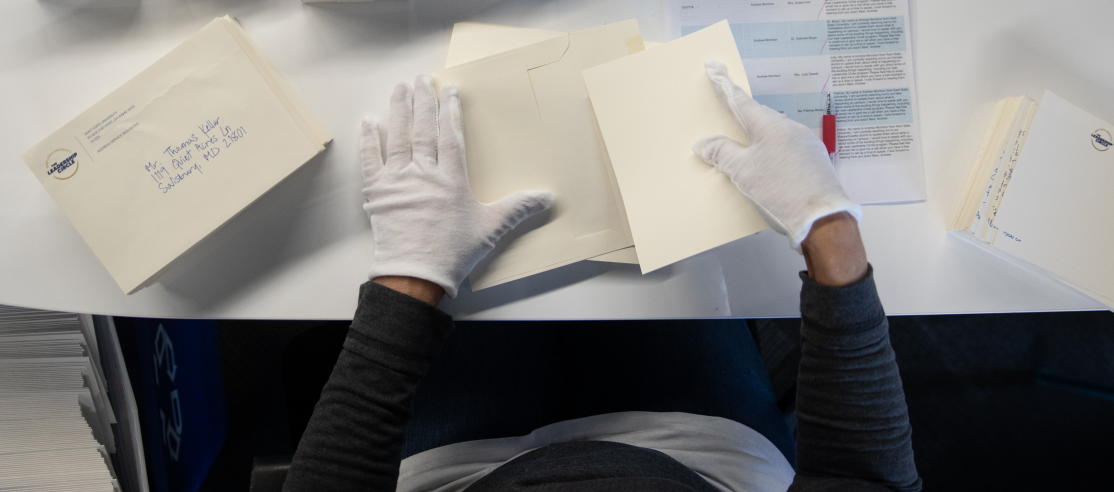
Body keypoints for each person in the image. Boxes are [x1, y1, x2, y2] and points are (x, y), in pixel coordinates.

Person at [283, 62, 921, 492]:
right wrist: (828, 225)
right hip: (703, 453)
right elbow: (867, 480)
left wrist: (411, 272)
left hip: (458, 471)